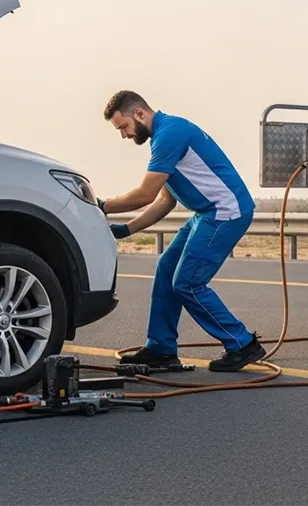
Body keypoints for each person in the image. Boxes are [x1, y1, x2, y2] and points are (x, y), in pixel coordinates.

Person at [98, 90, 266, 372]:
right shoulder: (164, 136)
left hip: (224, 212)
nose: (124, 135)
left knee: (187, 283)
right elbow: (165, 200)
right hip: (207, 213)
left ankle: (242, 343)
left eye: (123, 127)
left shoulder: (170, 134)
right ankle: (161, 349)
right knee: (167, 269)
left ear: (139, 114)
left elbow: (145, 194)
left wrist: (101, 206)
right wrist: (125, 230)